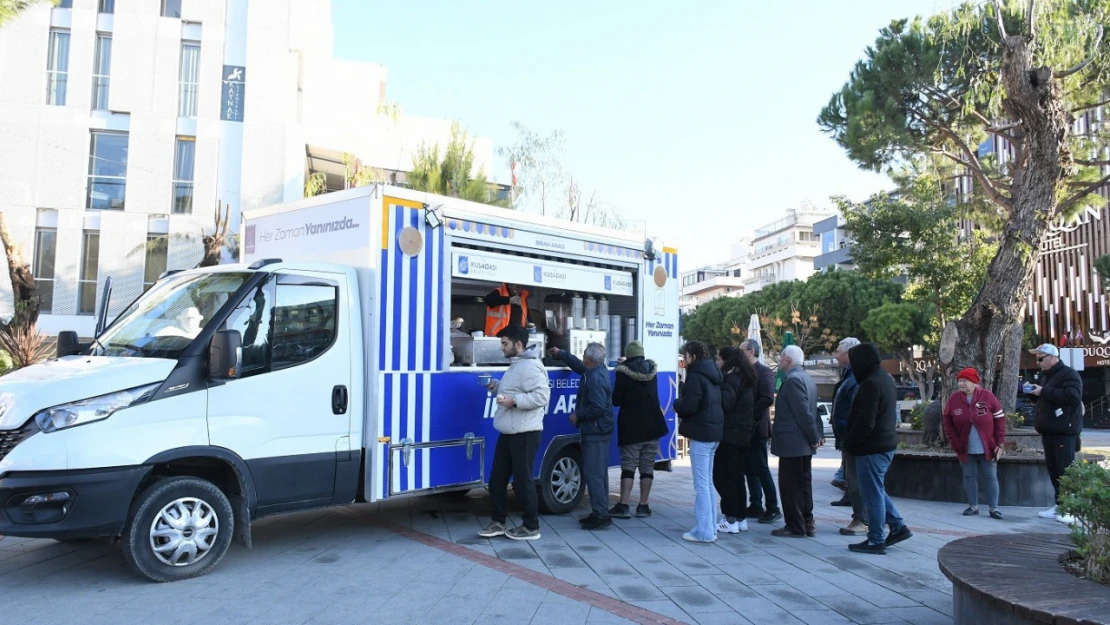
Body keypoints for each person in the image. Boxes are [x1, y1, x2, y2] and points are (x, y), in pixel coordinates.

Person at [478, 324, 551, 541]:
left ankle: (531, 526)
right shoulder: (517, 364)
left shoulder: (530, 366)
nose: (502, 348)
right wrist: (494, 386)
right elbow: (512, 390)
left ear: (518, 345)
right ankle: (498, 522)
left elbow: (542, 397)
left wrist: (514, 402)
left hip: (525, 433)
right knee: (496, 480)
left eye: (505, 343)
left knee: (522, 481)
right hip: (510, 432)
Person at [844, 342, 912, 555]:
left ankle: (875, 539)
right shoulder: (884, 379)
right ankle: (898, 526)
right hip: (883, 444)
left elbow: (866, 420)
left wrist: (852, 443)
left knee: (871, 494)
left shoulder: (870, 384)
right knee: (876, 490)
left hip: (872, 447)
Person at [549, 343, 614, 530]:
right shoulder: (595, 371)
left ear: (589, 359)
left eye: (584, 354)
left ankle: (601, 515)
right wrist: (560, 353)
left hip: (596, 431)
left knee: (594, 474)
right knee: (598, 474)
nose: (583, 357)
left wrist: (578, 414)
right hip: (599, 430)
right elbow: (578, 366)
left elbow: (597, 407)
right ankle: (599, 511)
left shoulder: (595, 379)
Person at [610, 341, 670, 519]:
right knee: (647, 467)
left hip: (632, 426)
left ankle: (624, 505)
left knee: (628, 467)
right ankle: (643, 506)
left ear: (628, 355)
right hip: (653, 425)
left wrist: (621, 367)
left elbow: (616, 400)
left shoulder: (623, 373)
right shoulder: (652, 371)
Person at [674, 341, 724, 543]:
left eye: (685, 355)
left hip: (702, 435)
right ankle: (710, 527)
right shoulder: (713, 375)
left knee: (702, 485)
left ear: (692, 356)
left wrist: (677, 403)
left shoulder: (695, 377)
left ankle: (704, 531)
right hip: (714, 433)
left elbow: (689, 407)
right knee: (708, 483)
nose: (684, 359)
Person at [1028, 343, 1084, 523]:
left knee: (1064, 470)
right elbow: (1049, 397)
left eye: (1040, 358)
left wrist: (1043, 391)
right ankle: (1060, 505)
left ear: (1052, 357)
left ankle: (1071, 509)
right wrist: (1034, 392)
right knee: (1054, 470)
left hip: (1063, 432)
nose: (1038, 363)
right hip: (1050, 431)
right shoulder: (1049, 377)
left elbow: (1072, 395)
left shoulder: (1069, 374)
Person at [770, 345, 822, 538]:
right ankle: (807, 522)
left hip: (793, 442)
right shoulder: (808, 378)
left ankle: (795, 525)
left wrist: (813, 436)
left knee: (790, 485)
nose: (780, 360)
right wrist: (815, 435)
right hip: (802, 443)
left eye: (782, 357)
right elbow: (811, 412)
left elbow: (803, 413)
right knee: (803, 484)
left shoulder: (793, 380)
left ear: (788, 360)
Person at [942, 367, 1006, 520]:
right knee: (969, 476)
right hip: (965, 447)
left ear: (974, 382)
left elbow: (1000, 419)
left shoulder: (987, 396)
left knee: (990, 476)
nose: (961, 384)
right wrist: (954, 441)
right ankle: (973, 506)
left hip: (988, 447)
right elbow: (947, 421)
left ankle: (994, 508)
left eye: (964, 380)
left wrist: (1000, 443)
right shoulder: (954, 399)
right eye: (959, 381)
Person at [714, 345, 756, 534]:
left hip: (730, 434)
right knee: (737, 476)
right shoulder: (745, 378)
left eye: (719, 359)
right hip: (743, 434)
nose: (717, 362)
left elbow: (725, 403)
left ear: (727, 360)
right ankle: (739, 517)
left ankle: (730, 518)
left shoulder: (731, 379)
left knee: (723, 476)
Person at [740, 339, 781, 524]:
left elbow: (767, 398)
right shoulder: (743, 372)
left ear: (751, 352)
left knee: (761, 468)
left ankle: (773, 507)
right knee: (749, 468)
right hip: (745, 429)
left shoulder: (764, 372)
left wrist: (749, 412)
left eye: (741, 350)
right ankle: (755, 504)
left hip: (757, 428)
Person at [830, 338, 867, 537]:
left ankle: (863, 519)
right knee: (853, 480)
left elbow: (854, 410)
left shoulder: (857, 377)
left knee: (858, 481)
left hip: (852, 438)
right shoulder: (849, 375)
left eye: (838, 351)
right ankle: (861, 517)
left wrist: (850, 435)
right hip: (846, 438)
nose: (836, 355)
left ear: (849, 353)